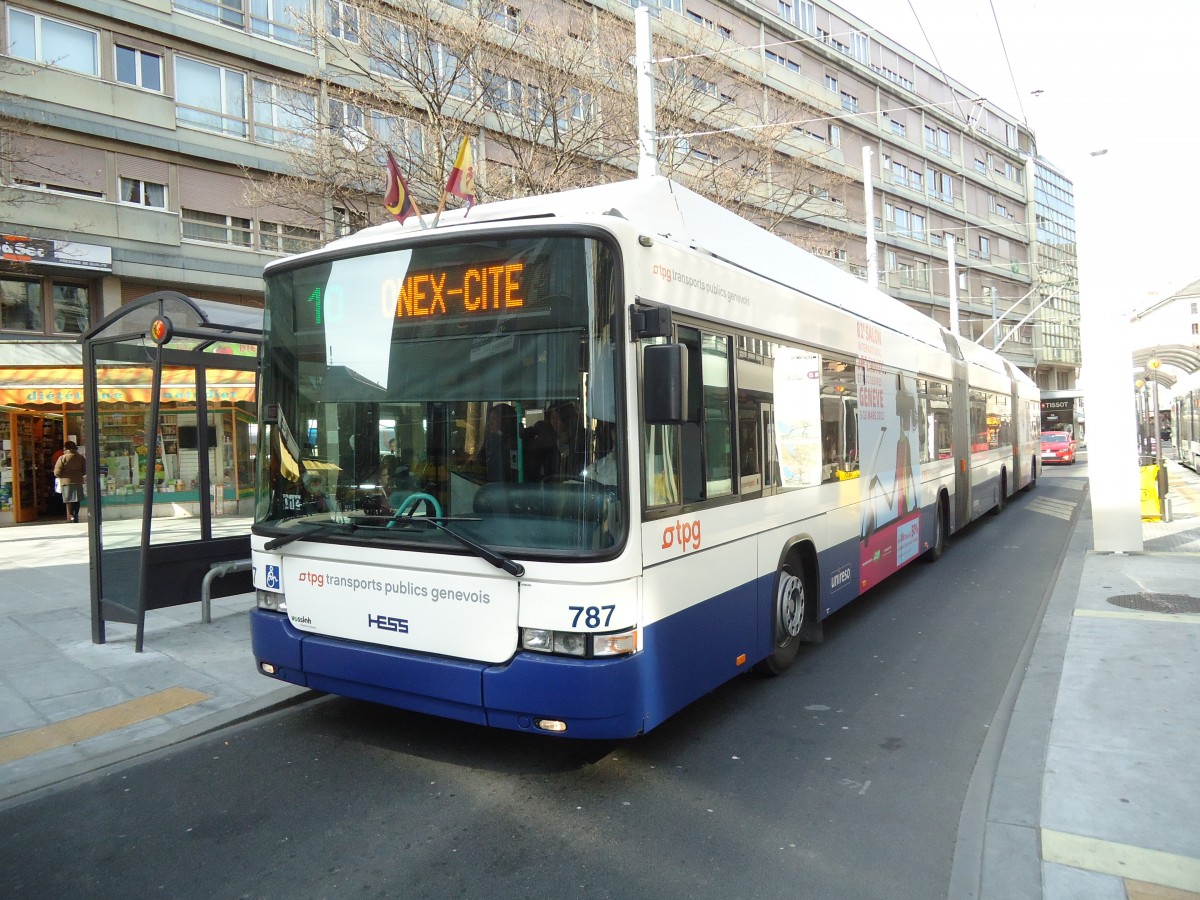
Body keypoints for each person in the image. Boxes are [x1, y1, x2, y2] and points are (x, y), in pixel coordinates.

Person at [53, 441, 86, 523]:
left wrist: (62, 476)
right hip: (78, 481)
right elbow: (84, 471)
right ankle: (76, 515)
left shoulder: (62, 458)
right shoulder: (81, 458)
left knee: (69, 500)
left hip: (66, 482)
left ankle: (71, 516)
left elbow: (57, 472)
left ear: (65, 448)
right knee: (77, 499)